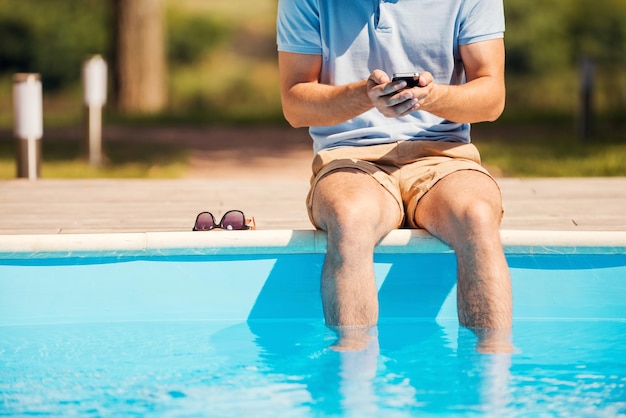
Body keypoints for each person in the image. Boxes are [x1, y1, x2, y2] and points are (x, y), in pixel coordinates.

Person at [276, 0, 513, 350]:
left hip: (443, 154)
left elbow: (491, 97)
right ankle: (350, 377)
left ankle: (492, 371)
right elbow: (295, 104)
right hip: (350, 156)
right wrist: (364, 96)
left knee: (477, 215)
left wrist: (432, 96)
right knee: (349, 216)